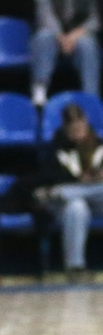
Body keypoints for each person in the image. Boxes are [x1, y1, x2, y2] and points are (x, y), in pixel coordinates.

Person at [35, 103, 103, 283]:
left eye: (80, 124)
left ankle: (63, 192)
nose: (77, 129)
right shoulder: (57, 149)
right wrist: (77, 179)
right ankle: (75, 268)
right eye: (72, 127)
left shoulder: (100, 145)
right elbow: (47, 177)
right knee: (77, 207)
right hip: (65, 206)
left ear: (86, 122)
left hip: (98, 199)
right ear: (65, 128)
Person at [30, 0, 101, 106]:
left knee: (88, 45)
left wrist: (75, 35)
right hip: (53, 31)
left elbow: (95, 16)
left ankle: (91, 97)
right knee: (43, 38)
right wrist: (60, 35)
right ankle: (39, 90)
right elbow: (44, 12)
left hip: (81, 31)